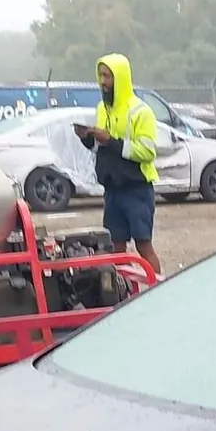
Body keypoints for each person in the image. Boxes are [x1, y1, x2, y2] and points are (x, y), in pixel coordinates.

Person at [75, 54, 162, 276]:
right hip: (112, 190)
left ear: (120, 78)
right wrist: (87, 139)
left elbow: (147, 152)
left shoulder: (141, 111)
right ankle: (127, 291)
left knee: (143, 246)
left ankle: (158, 287)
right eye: (100, 76)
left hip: (136, 189)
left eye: (108, 76)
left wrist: (112, 141)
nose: (103, 82)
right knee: (116, 248)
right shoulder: (102, 108)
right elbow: (102, 149)